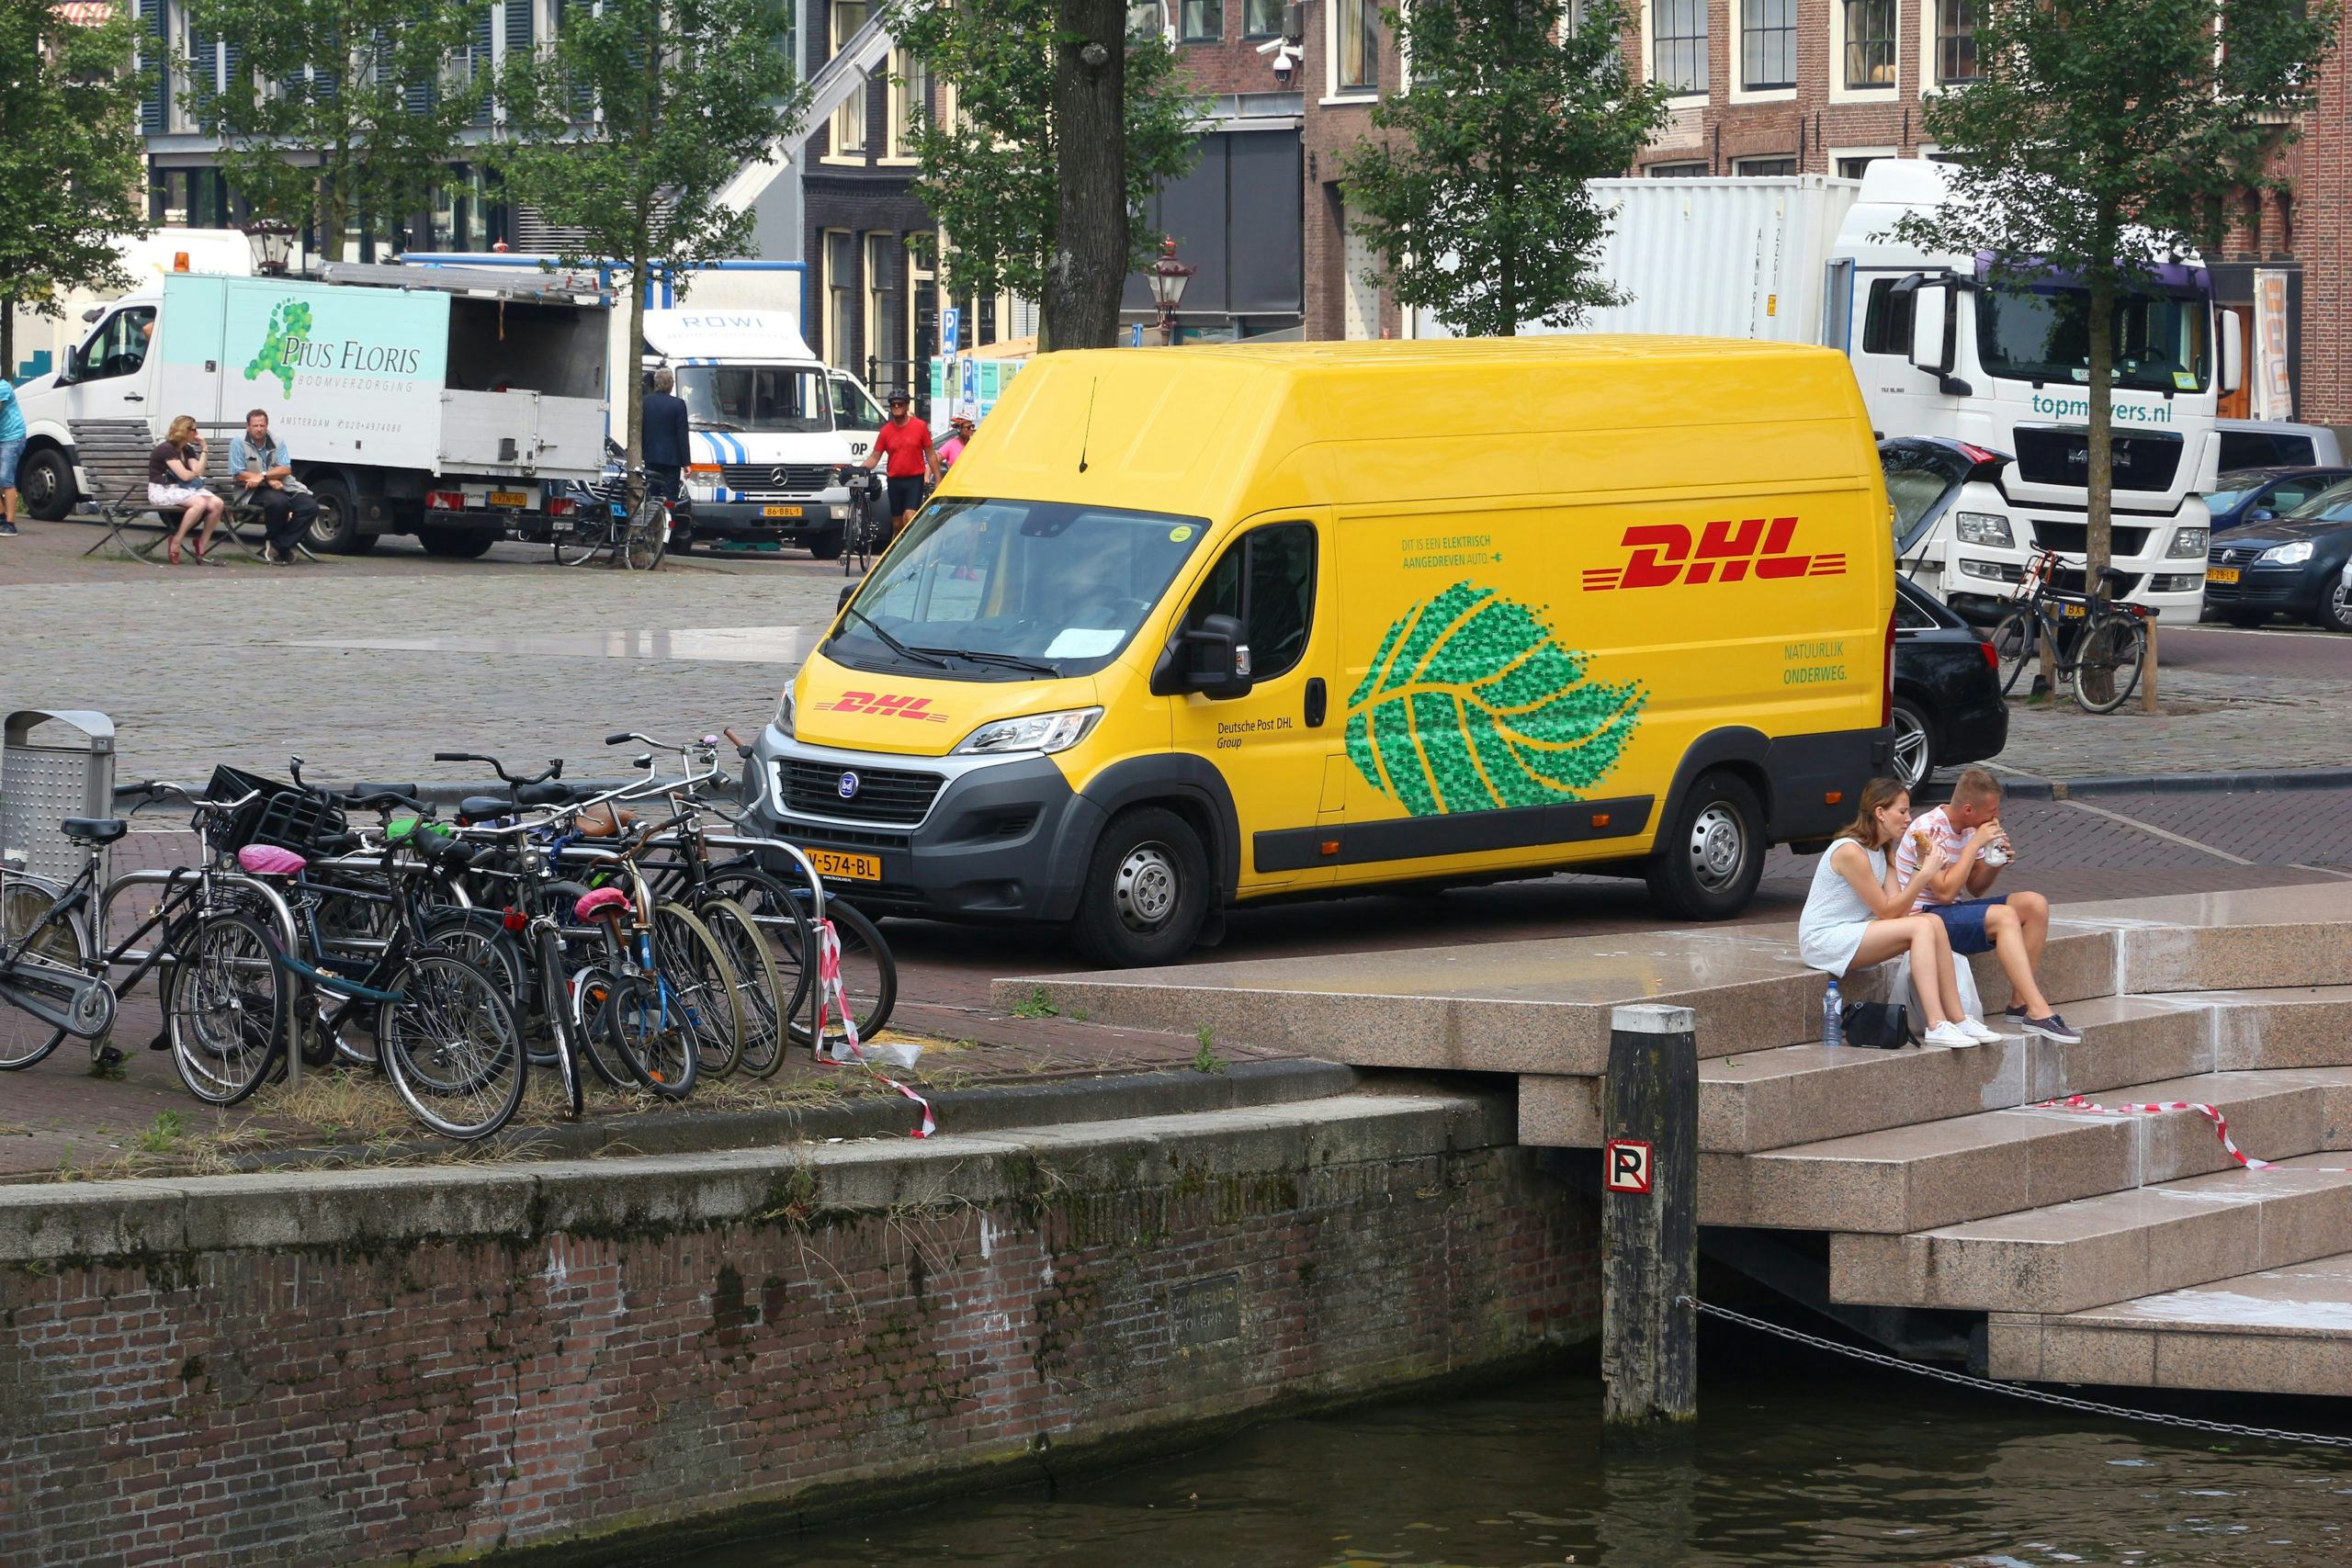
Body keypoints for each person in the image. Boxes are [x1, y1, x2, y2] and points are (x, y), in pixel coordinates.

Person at [1797, 777, 2001, 1049]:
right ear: (1880, 813)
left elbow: (1898, 912)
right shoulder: (1850, 851)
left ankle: (1959, 1018)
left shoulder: (1884, 853)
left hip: (1850, 933)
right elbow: (1885, 910)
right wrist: (1926, 873)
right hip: (1822, 939)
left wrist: (1919, 864)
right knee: (1921, 926)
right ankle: (1936, 1024)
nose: (1908, 819)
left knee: (1933, 921)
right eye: (1902, 811)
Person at [1894, 768, 2075, 1043]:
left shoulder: (1970, 829)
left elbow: (1976, 888)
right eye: (1991, 811)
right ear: (1968, 809)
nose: (1995, 816)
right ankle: (2039, 1011)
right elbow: (1944, 893)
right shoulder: (1928, 829)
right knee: (2004, 916)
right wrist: (1974, 845)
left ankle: (2019, 1004)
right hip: (1925, 919)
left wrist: (1995, 861)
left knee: (2034, 904)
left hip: (1950, 912)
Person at [230, 409, 318, 565]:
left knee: (310, 506)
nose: (259, 429)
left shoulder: (277, 441)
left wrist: (264, 476)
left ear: (267, 425)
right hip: (250, 490)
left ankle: (278, 545)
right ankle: (281, 549)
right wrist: (268, 481)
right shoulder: (238, 442)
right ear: (247, 426)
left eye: (262, 425)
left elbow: (285, 469)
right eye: (255, 425)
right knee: (279, 502)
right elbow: (238, 473)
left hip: (284, 486)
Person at [860, 390, 937, 539]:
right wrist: (858, 470)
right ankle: (898, 548)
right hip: (894, 480)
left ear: (907, 405)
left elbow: (931, 454)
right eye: (893, 404)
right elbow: (874, 458)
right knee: (897, 524)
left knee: (909, 516)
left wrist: (938, 479)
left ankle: (912, 548)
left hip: (914, 479)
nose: (896, 407)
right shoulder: (885, 431)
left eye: (900, 404)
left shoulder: (920, 426)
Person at [148, 415, 223, 565]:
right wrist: (193, 473)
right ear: (184, 431)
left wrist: (204, 449)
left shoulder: (187, 449)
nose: (197, 433)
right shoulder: (166, 449)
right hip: (163, 489)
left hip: (184, 488)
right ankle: (177, 540)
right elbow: (184, 475)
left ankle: (201, 544)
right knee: (200, 503)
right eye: (194, 429)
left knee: (217, 503)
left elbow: (198, 471)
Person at [641, 367, 692, 503]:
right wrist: (686, 463)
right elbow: (682, 435)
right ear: (671, 384)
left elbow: (640, 430)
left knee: (652, 495)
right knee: (670, 497)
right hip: (672, 460)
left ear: (656, 383)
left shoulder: (645, 402)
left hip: (651, 457)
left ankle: (652, 515)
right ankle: (669, 515)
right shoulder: (678, 405)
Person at [0, 371, 24, 537]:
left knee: (5, 478)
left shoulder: (2, 387)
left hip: (12, 437)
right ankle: (1, 517)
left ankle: (10, 524)